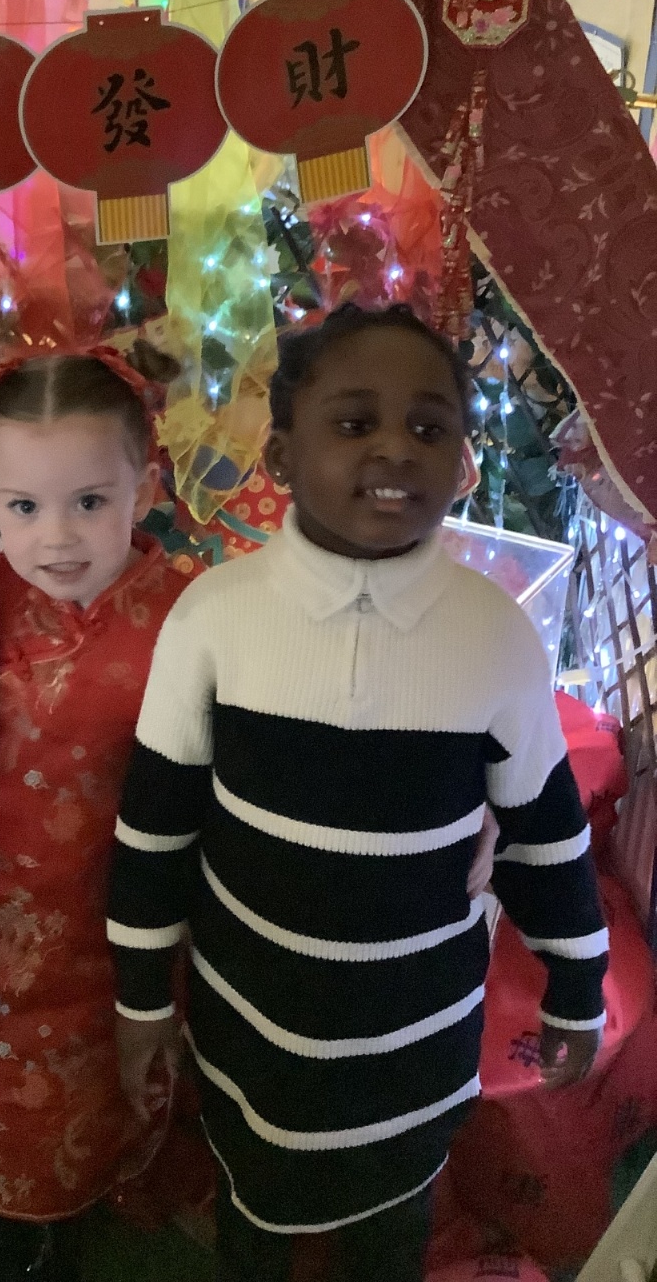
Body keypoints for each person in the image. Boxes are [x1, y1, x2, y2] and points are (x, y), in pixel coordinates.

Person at [107, 303, 608, 1282]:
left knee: (392, 1231)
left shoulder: (494, 635)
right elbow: (155, 828)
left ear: (463, 460)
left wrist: (578, 985)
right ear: (283, 453)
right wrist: (139, 996)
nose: (395, 447)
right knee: (253, 1225)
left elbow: (545, 830)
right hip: (252, 1027)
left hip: (415, 1043)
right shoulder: (215, 620)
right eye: (353, 421)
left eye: (429, 426)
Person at [0, 345, 198, 1282]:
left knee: (103, 1087)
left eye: (89, 501)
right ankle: (0, 1233)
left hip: (119, 923)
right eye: (23, 506)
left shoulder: (190, 617)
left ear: (145, 485)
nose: (55, 537)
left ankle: (75, 1218)